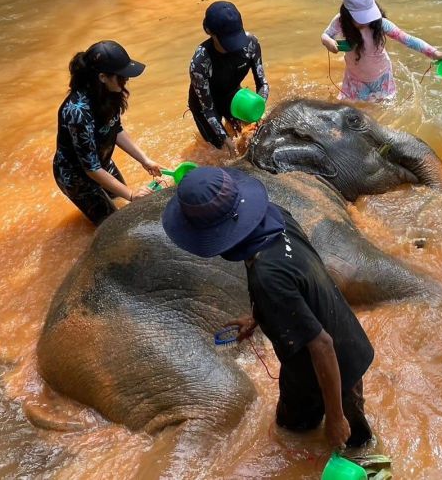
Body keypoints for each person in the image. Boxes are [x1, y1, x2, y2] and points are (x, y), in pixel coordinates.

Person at [161, 167, 375, 449]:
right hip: (307, 355)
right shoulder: (275, 217)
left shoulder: (268, 277)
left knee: (353, 444)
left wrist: (335, 417)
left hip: (337, 364)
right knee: (290, 430)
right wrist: (260, 315)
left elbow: (322, 345)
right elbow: (296, 282)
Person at [53, 40, 163, 225]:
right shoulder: (77, 112)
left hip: (101, 164)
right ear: (103, 77)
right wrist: (131, 194)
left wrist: (145, 160)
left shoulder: (108, 93)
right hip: (77, 176)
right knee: (113, 225)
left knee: (121, 203)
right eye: (121, 75)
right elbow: (91, 169)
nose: (126, 79)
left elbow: (115, 129)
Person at [320, 0, 442, 102]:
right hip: (356, 79)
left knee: (384, 110)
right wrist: (329, 42)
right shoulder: (340, 21)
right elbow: (325, 35)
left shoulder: (380, 24)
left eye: (367, 16)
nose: (366, 21)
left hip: (381, 78)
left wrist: (434, 53)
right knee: (356, 109)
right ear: (347, 14)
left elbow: (408, 39)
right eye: (360, 18)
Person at [188, 1, 270, 154]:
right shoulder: (200, 63)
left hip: (233, 95)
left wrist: (258, 108)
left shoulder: (251, 44)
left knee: (251, 138)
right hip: (204, 106)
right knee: (220, 151)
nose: (234, 46)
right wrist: (226, 142)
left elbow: (262, 83)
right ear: (209, 31)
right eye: (227, 39)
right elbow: (208, 110)